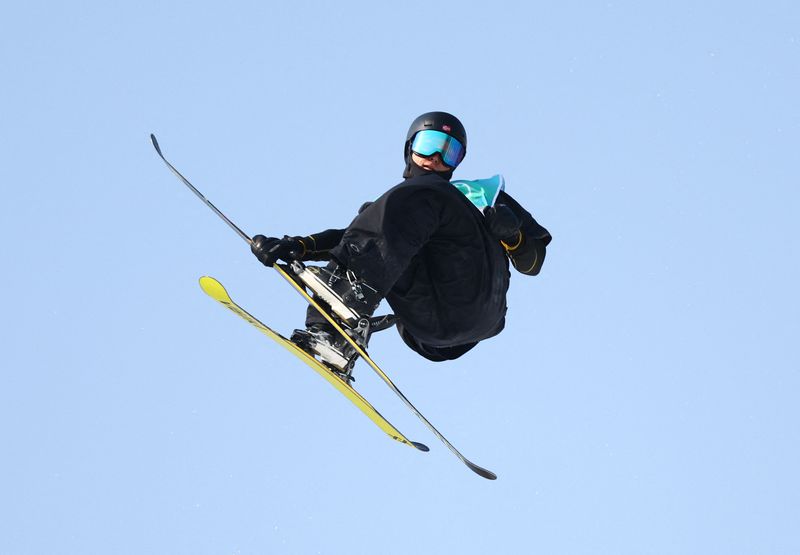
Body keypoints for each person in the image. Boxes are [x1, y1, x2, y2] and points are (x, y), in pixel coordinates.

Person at [250, 111, 551, 371]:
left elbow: (533, 263)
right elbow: (359, 241)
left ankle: (351, 297)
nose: (436, 158)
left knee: (419, 197)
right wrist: (297, 246)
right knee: (374, 218)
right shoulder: (402, 214)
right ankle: (332, 337)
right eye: (429, 145)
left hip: (474, 301)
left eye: (449, 152)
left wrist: (513, 237)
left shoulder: (481, 195)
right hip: (428, 331)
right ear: (409, 148)